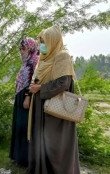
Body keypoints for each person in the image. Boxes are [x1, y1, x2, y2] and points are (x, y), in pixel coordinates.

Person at [27, 26, 80, 174]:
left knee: (55, 145)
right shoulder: (44, 59)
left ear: (54, 41)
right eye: (41, 41)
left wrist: (40, 88)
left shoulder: (62, 56)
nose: (42, 45)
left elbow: (64, 82)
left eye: (45, 41)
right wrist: (34, 85)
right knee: (41, 141)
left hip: (56, 111)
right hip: (41, 106)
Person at [9, 37, 39, 167]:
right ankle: (17, 156)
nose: (21, 51)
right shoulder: (26, 63)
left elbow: (34, 81)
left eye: (24, 48)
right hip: (20, 98)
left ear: (31, 48)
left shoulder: (35, 63)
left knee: (24, 127)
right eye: (20, 49)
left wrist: (27, 96)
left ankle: (24, 159)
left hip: (27, 99)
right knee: (18, 125)